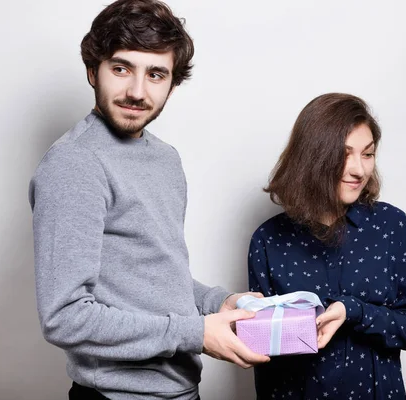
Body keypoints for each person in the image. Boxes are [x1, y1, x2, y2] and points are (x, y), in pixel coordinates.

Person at [29, 1, 269, 399]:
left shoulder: (165, 159)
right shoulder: (75, 164)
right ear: (93, 70)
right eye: (121, 68)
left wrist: (222, 302)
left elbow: (157, 280)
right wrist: (195, 333)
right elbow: (64, 318)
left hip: (181, 391)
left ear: (173, 83)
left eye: (156, 74)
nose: (137, 92)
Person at [247, 93, 406, 399]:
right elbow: (263, 356)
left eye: (368, 154)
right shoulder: (268, 240)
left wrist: (355, 311)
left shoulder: (392, 226)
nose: (359, 170)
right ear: (313, 156)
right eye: (345, 154)